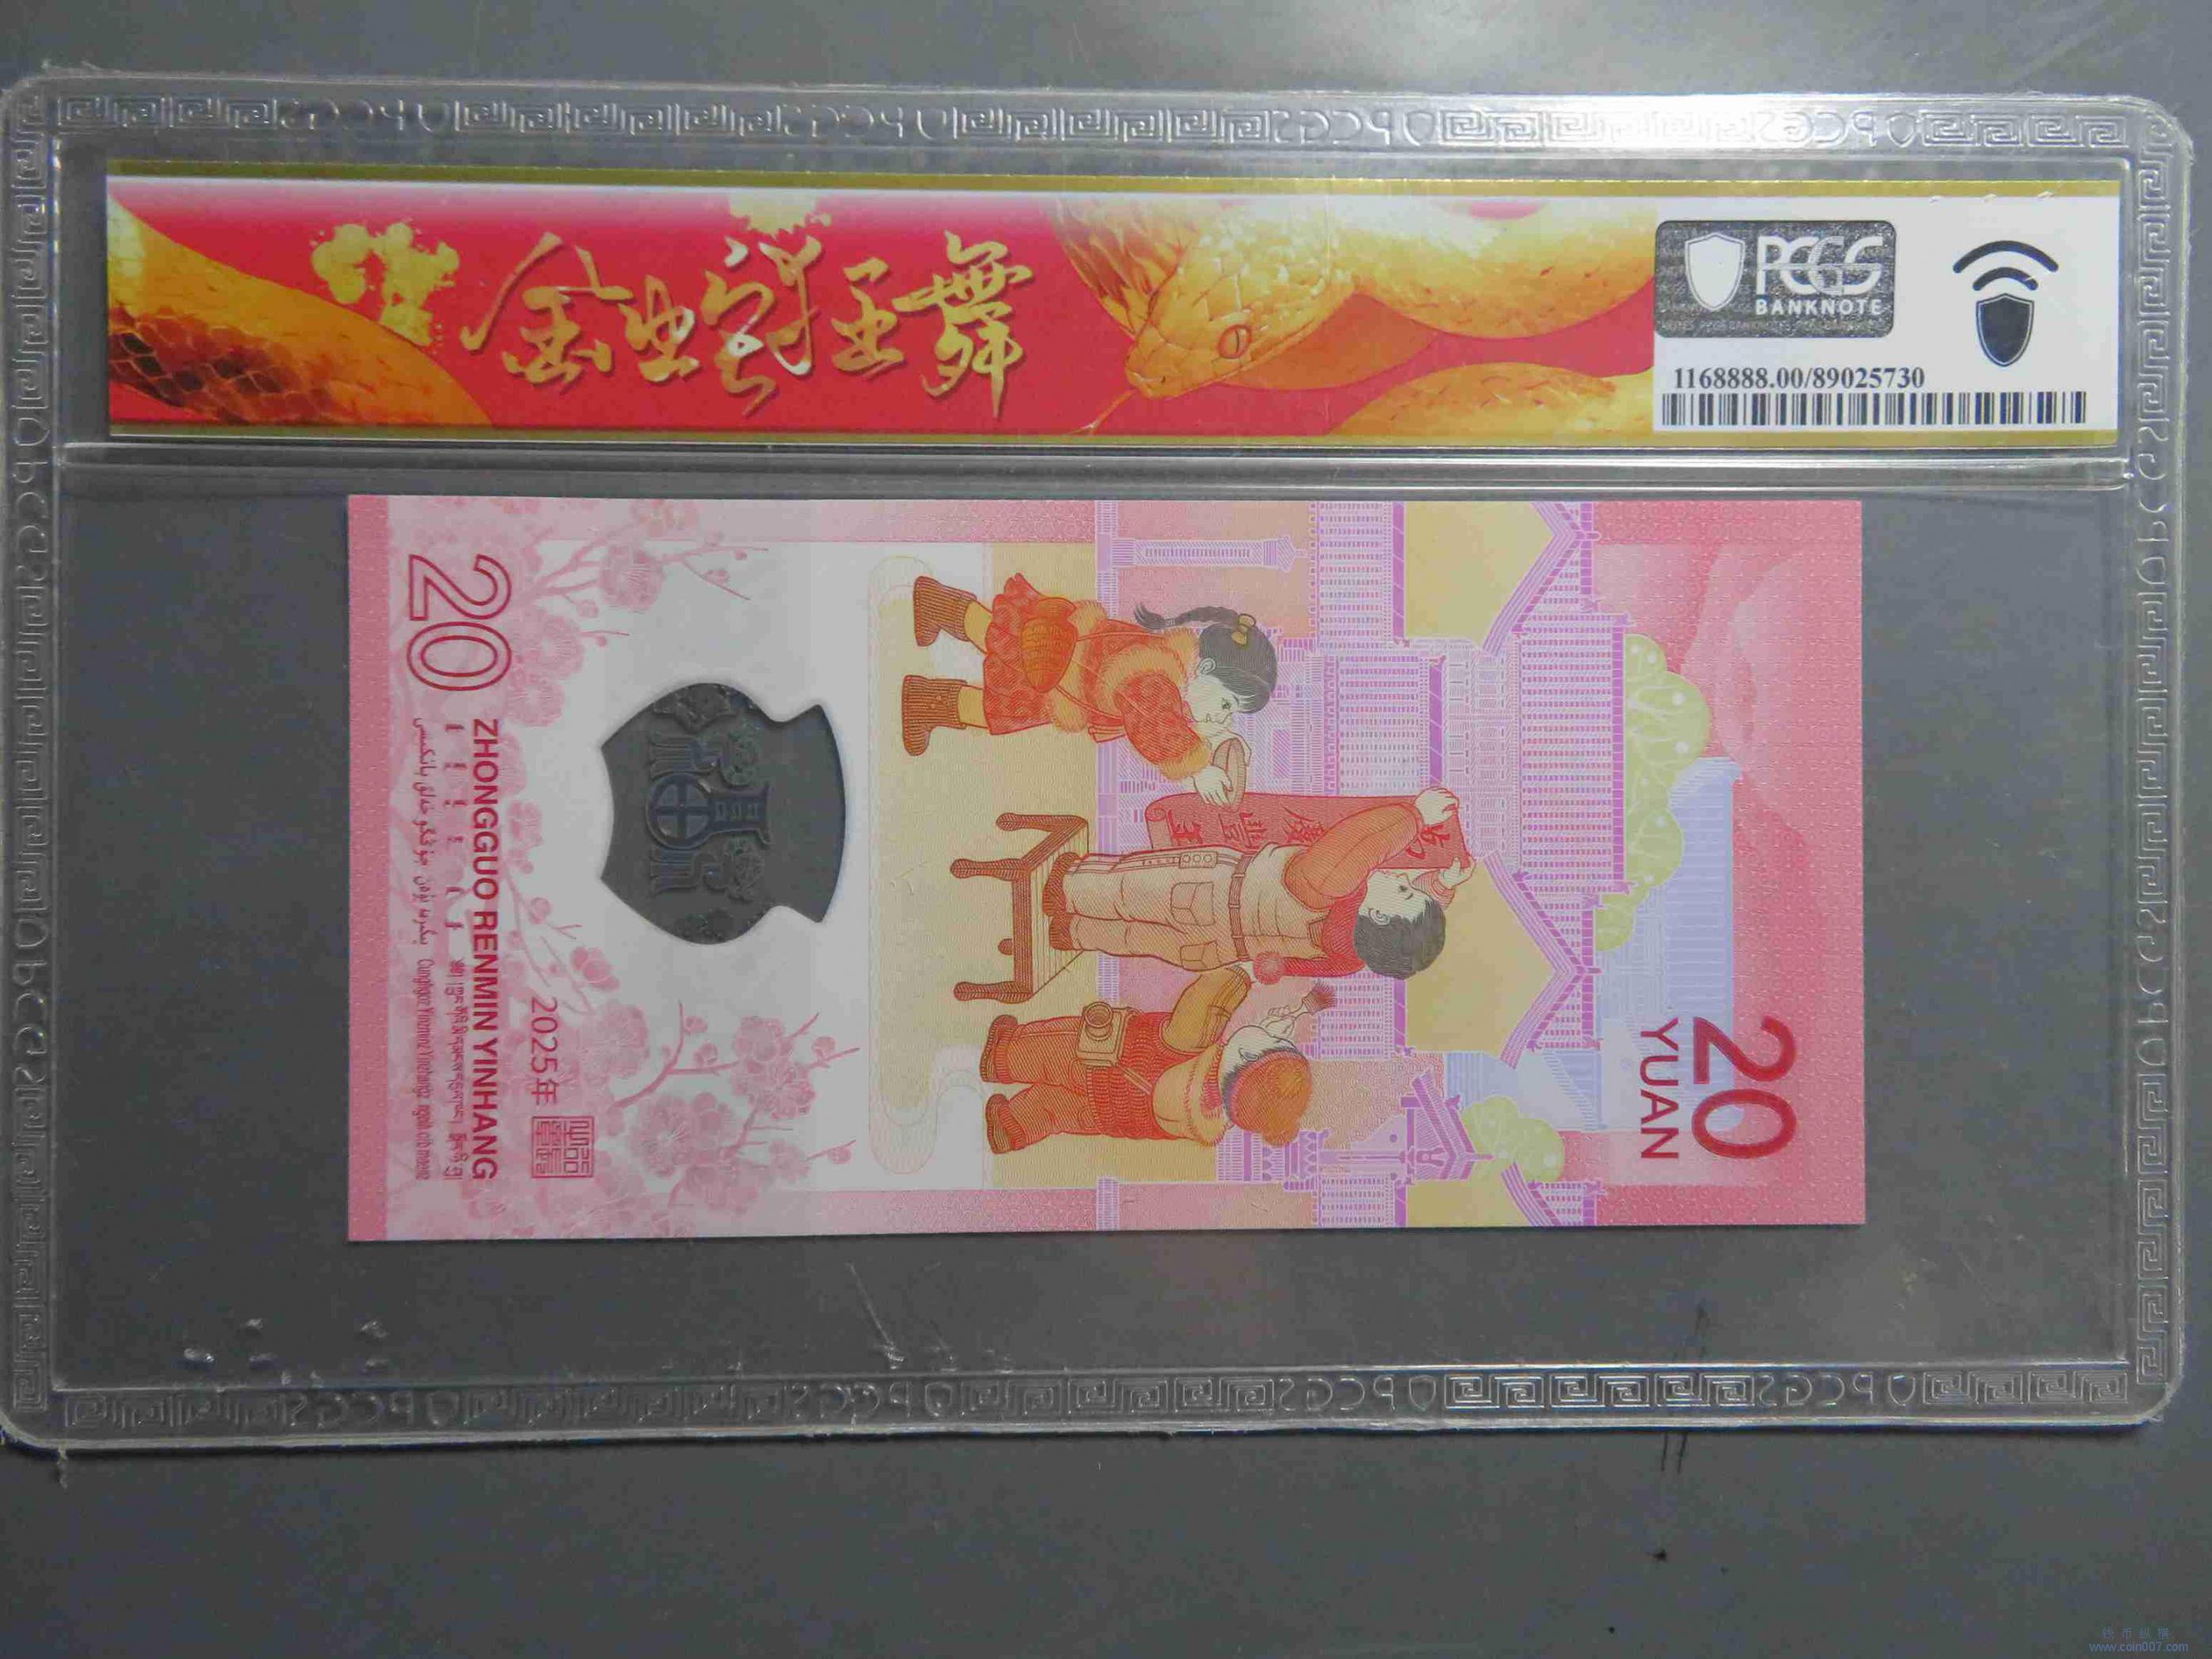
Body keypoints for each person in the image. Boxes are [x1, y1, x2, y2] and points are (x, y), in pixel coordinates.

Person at [901, 575, 1276, 803]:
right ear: (1205, 668)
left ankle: (934, 616)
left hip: (1068, 663)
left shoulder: (1173, 668)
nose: (1224, 717)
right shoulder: (1156, 679)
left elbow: (1176, 718)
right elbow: (1155, 727)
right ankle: (924, 697)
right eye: (1227, 704)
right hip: (1061, 671)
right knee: (995, 694)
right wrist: (1198, 770)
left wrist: (1222, 738)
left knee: (997, 634)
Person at [1044, 788, 1474, 981]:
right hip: (1214, 950)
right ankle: (1076, 932)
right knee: (1138, 938)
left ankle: (1068, 888)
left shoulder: (1330, 885)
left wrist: (1415, 816)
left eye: (1404, 889)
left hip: (1207, 894)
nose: (1400, 879)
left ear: (1376, 914)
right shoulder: (1351, 958)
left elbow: (1358, 845)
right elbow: (1402, 931)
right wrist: (1440, 885)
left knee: (1130, 891)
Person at [979, 968, 1329, 1153]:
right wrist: (1302, 1009)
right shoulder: (1207, 1118)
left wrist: (1239, 976)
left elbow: (1205, 1000)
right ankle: (1012, 1127)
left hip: (1101, 1062)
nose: (1272, 1033)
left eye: (1272, 1043)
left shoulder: (1195, 1043)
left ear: (1249, 1057)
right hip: (1108, 1116)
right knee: (1054, 1111)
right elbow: (1270, 1031)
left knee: (1049, 1052)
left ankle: (1003, 1054)